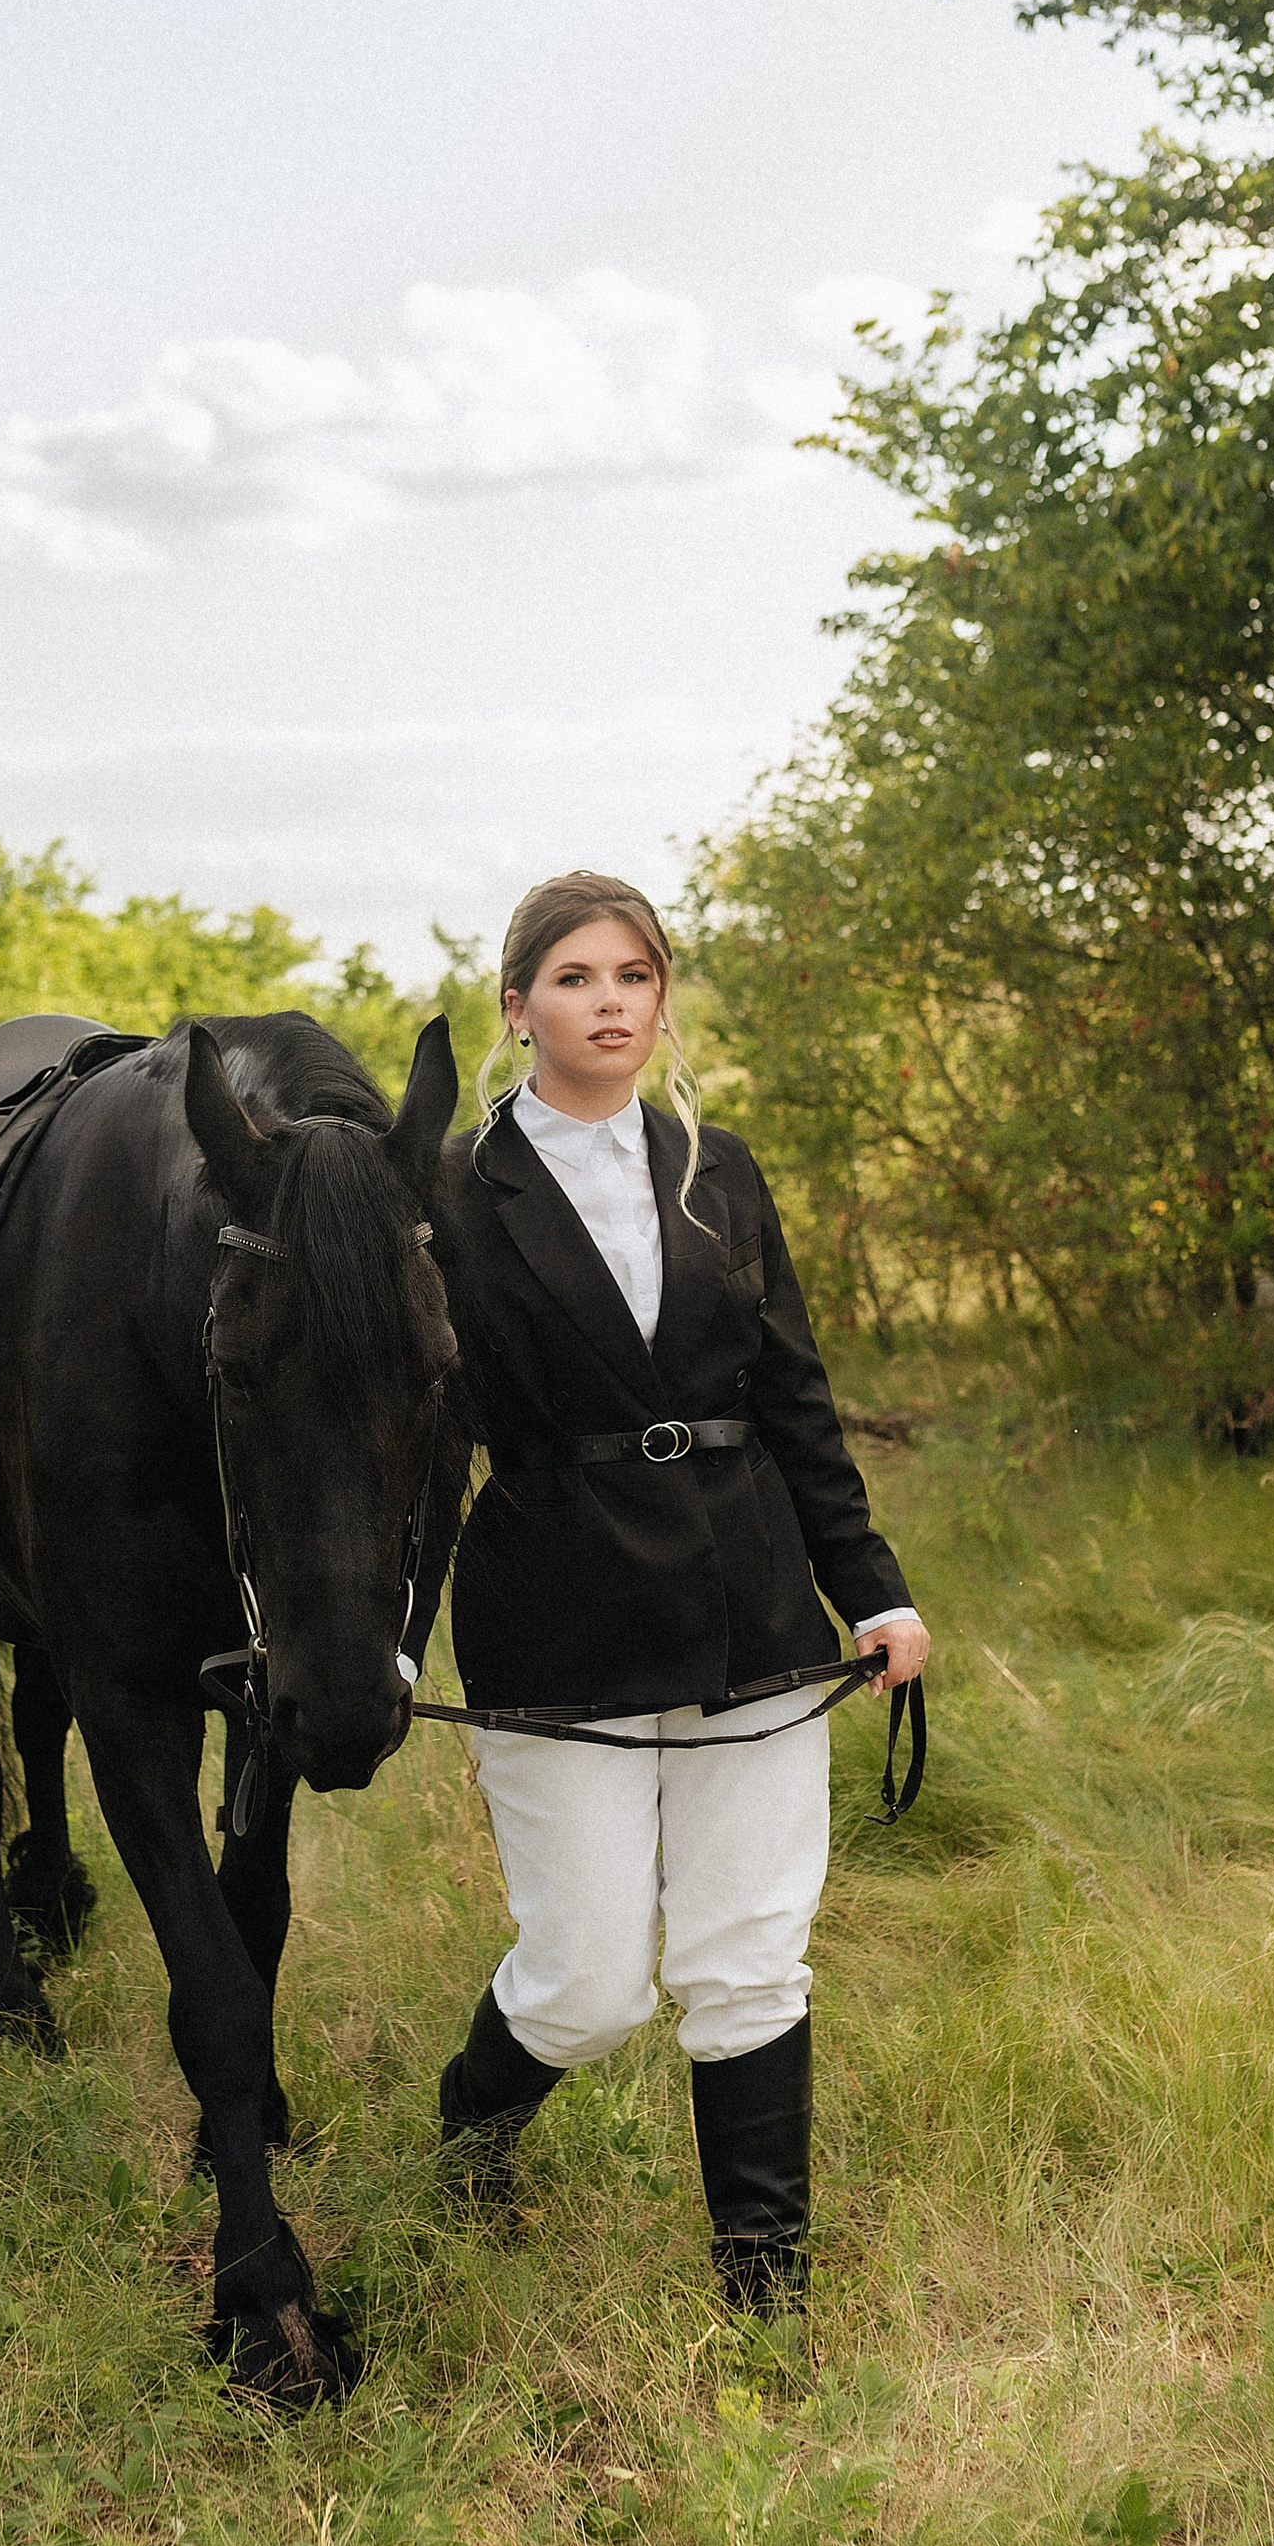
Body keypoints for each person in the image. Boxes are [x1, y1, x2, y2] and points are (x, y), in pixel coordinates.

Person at [430, 872, 931, 2311]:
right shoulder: (454, 1193)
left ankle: (762, 2292)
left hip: (748, 1593)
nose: (611, 1003)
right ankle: (473, 2125)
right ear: (518, 1006)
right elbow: (400, 1434)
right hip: (553, 1603)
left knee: (749, 1952)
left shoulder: (723, 1168)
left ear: (662, 996)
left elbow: (795, 1400)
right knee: (590, 1981)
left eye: (635, 976)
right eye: (576, 977)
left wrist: (874, 1592)